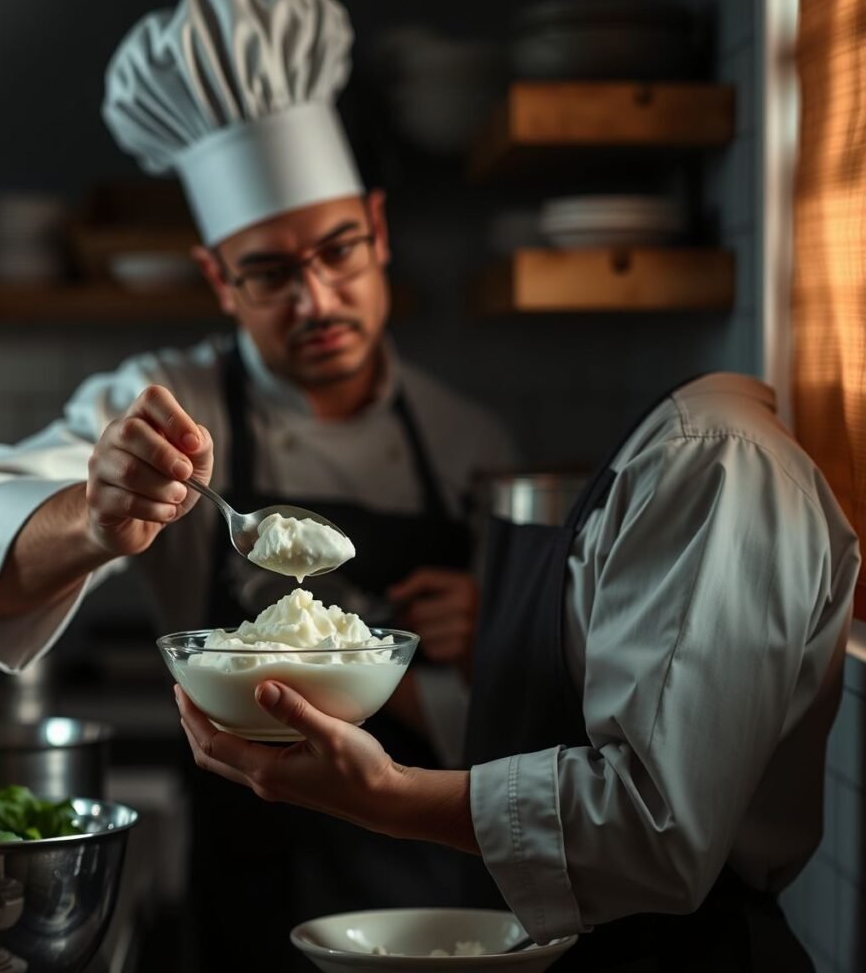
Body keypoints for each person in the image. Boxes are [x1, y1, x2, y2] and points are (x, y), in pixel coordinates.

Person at [0, 0, 517, 973]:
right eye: (268, 271)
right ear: (218, 278)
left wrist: (489, 644)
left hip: (437, 912)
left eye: (338, 251)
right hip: (251, 910)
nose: (315, 298)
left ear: (380, 229)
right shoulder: (174, 400)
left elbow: (548, 717)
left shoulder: (468, 441)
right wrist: (93, 518)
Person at [174, 372, 861, 972]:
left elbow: (657, 833)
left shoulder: (715, 464)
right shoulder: (662, 463)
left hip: (676, 956)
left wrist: (386, 794)